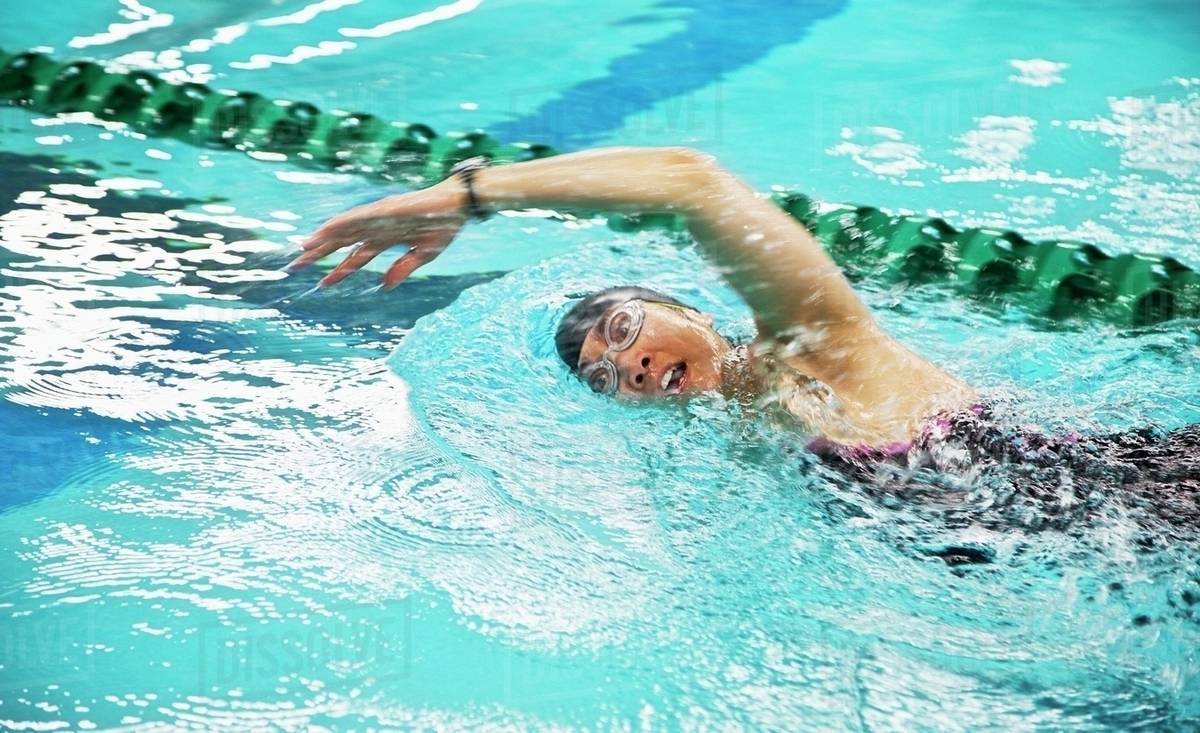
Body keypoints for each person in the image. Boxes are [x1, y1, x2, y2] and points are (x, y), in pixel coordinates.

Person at [286, 147, 1198, 527]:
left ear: (693, 311)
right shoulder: (736, 453)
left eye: (623, 328)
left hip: (1148, 500)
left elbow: (691, 182)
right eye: (608, 377)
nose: (628, 364)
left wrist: (468, 195)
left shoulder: (816, 344)